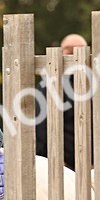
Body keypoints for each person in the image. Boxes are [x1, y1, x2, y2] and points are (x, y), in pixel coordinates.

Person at [34, 34, 86, 169]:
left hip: (93, 166)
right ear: (61, 52)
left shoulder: (97, 85)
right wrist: (48, 159)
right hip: (62, 166)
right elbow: (41, 126)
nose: (75, 55)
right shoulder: (49, 87)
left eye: (80, 50)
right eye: (70, 50)